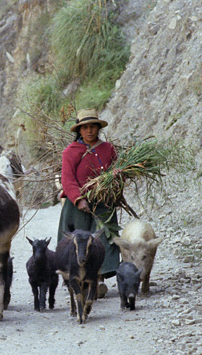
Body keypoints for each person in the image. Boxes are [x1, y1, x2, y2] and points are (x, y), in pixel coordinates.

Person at [57, 109, 120, 295]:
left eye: (93, 126)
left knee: (102, 240)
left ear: (98, 128)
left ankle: (97, 279)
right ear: (80, 130)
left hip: (102, 202)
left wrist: (116, 178)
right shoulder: (70, 152)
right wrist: (78, 199)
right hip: (77, 204)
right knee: (78, 242)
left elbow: (116, 171)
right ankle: (77, 280)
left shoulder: (108, 149)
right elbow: (67, 180)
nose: (90, 131)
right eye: (85, 127)